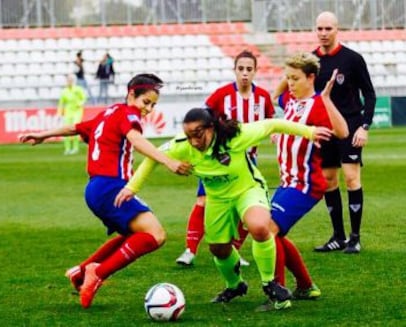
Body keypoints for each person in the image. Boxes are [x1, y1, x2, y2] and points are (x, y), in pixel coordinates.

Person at [116, 108, 333, 309]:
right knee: (218, 249)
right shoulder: (182, 145)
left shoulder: (236, 135)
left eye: (197, 134)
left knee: (259, 226)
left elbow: (272, 124)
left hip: (247, 190)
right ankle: (235, 285)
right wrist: (132, 187)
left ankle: (271, 284)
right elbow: (152, 157)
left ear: (211, 128)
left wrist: (310, 131)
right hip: (217, 199)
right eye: (188, 135)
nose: (193, 141)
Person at [19, 73, 192, 309]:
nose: (149, 109)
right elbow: (136, 139)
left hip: (95, 189)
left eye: (153, 105)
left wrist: (42, 135)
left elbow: (75, 128)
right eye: (146, 102)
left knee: (134, 236)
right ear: (132, 94)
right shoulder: (128, 114)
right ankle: (97, 273)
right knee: (156, 235)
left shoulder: (108, 113)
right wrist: (168, 161)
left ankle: (81, 272)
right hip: (111, 186)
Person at [175, 50, 275, 266]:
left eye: (249, 69)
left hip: (248, 162)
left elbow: (270, 120)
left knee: (246, 209)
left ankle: (235, 252)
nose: (245, 73)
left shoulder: (263, 97)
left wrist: (274, 134)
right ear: (235, 70)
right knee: (203, 201)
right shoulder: (221, 95)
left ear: (255, 71)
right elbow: (204, 119)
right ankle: (189, 251)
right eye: (241, 69)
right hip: (218, 160)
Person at [271, 52, 348, 298]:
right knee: (275, 233)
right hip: (288, 182)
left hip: (305, 184)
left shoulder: (317, 105)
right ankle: (305, 286)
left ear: (311, 77)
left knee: (268, 230)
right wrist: (292, 71)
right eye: (288, 78)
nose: (289, 84)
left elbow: (343, 131)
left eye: (295, 79)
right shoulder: (291, 101)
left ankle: (278, 292)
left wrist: (325, 97)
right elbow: (276, 95)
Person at [312, 11, 376, 254]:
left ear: (337, 29)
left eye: (328, 29)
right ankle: (337, 236)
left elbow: (369, 94)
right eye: (320, 29)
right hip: (325, 129)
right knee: (329, 181)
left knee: (351, 179)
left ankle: (355, 238)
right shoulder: (311, 62)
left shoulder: (352, 59)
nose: (324, 33)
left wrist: (364, 126)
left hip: (350, 126)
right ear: (315, 30)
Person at [57, 74, 87, 155]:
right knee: (65, 130)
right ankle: (67, 148)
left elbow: (84, 98)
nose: (69, 82)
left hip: (77, 112)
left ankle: (75, 148)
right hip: (68, 112)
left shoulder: (78, 89)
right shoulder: (64, 91)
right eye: (68, 80)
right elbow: (61, 104)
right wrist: (59, 113)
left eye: (70, 80)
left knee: (75, 129)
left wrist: (81, 103)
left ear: (73, 81)